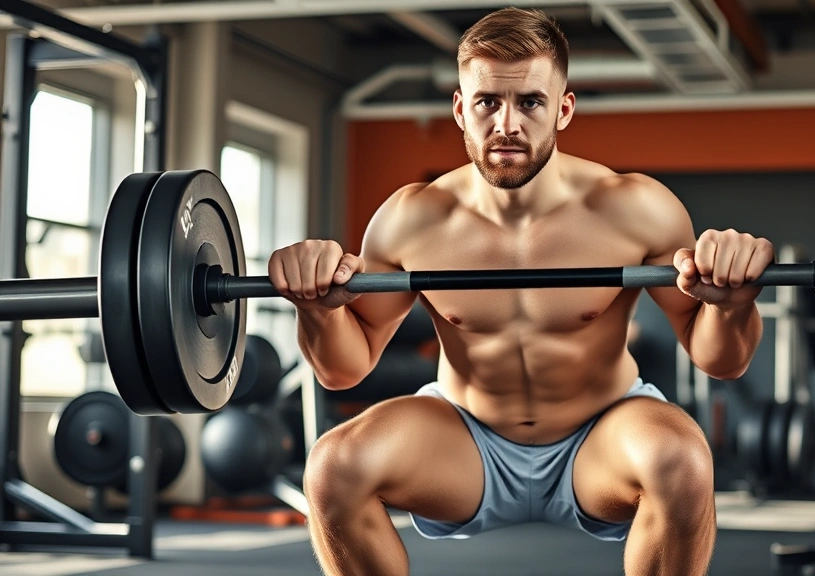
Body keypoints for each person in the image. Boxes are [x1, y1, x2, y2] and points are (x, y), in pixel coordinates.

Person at [268, 7, 773, 576]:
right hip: (464, 440)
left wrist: (733, 305)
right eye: (487, 102)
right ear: (460, 109)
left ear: (563, 109)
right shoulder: (411, 219)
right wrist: (316, 311)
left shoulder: (636, 208)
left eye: (530, 102)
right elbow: (344, 370)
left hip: (600, 436)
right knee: (332, 468)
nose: (506, 125)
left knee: (682, 459)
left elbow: (720, 360)